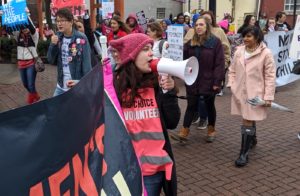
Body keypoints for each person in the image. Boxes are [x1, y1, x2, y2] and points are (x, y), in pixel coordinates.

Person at [109, 33, 180, 195]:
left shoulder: (156, 85)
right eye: (145, 49)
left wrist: (169, 92)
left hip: (152, 171)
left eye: (151, 49)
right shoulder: (115, 87)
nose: (151, 54)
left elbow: (172, 122)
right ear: (131, 55)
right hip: (124, 169)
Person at [227, 26, 276, 167]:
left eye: (249, 36)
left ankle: (243, 152)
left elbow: (270, 76)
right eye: (244, 36)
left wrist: (268, 96)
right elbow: (232, 70)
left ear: (257, 37)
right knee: (248, 116)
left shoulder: (266, 53)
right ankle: (252, 138)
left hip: (255, 93)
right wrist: (231, 84)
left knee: (247, 119)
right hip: (240, 92)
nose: (245, 39)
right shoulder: (239, 51)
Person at [172, 16, 225, 143]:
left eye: (201, 25)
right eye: (196, 25)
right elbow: (181, 56)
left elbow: (219, 63)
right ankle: (184, 131)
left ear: (207, 27)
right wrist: (172, 47)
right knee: (191, 105)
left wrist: (217, 82)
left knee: (209, 106)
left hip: (209, 80)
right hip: (193, 80)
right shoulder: (190, 42)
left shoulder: (215, 42)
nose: (198, 27)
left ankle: (211, 129)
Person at [47, 8, 92, 96]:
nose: (59, 23)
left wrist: (80, 83)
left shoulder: (81, 38)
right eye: (57, 21)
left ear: (71, 22)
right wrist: (53, 44)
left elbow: (87, 66)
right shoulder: (58, 37)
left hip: (76, 87)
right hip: (60, 86)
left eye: (62, 20)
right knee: (54, 109)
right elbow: (50, 60)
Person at [1, 8, 41, 104]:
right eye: (23, 27)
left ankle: (32, 100)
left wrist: (26, 15)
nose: (25, 29)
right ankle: (35, 94)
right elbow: (8, 29)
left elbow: (32, 27)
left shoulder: (34, 37)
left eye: (26, 27)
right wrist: (2, 17)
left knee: (30, 85)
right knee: (25, 84)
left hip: (31, 64)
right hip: (21, 64)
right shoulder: (17, 36)